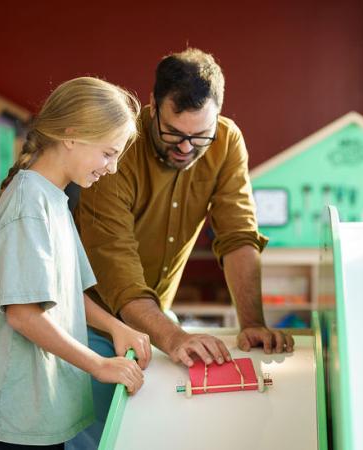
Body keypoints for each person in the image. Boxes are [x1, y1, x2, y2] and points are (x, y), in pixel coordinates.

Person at [70, 48, 294, 447]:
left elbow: (238, 235)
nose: (187, 148)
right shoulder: (119, 146)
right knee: (95, 435)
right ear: (153, 107)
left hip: (156, 316)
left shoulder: (226, 142)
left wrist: (253, 322)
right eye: (175, 133)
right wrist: (173, 338)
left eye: (200, 136)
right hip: (90, 321)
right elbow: (118, 273)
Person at [0, 77, 152, 449]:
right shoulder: (29, 206)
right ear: (71, 135)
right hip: (16, 407)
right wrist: (98, 365)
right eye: (108, 153)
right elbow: (23, 313)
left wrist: (116, 327)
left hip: (38, 405)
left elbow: (63, 293)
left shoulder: (54, 198)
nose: (112, 168)